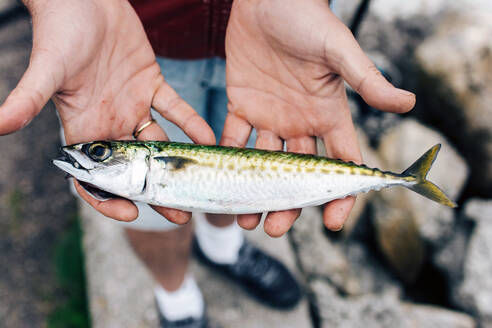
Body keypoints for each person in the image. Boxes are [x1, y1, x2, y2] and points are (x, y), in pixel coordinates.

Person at [0, 0, 415, 327]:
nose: (94, 155)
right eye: (100, 152)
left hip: (281, 44)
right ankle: (176, 297)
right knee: (152, 220)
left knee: (249, 167)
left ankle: (223, 250)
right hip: (132, 45)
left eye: (100, 153)